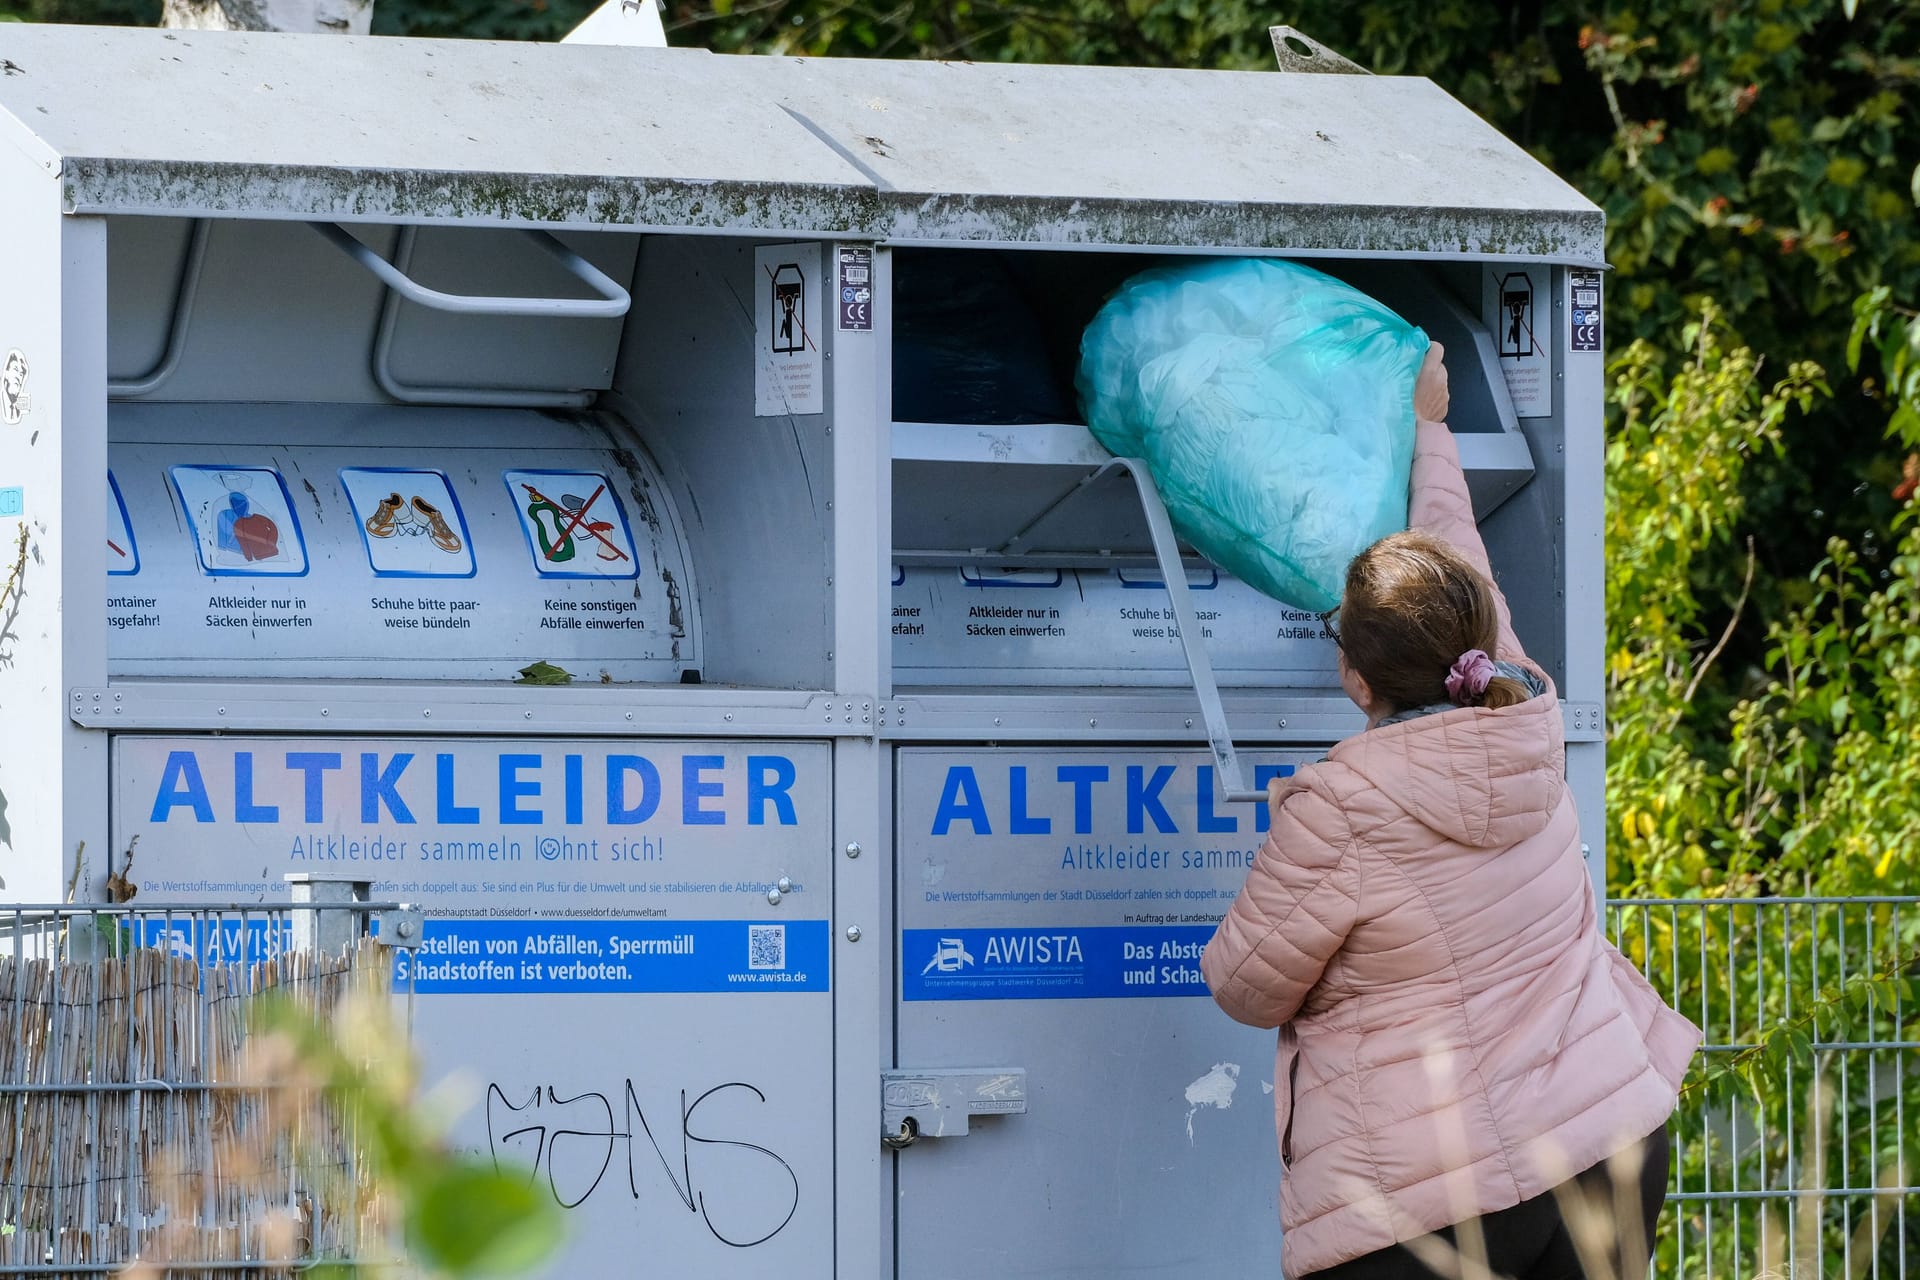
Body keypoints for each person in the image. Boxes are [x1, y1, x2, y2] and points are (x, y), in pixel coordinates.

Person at [1200, 345, 1699, 1280]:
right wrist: (1431, 427)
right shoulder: (1523, 707)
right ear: (1475, 638)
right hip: (1609, 1149)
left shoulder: (1340, 807)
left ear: (1352, 679)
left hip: (1430, 1204)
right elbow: (1454, 550)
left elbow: (1243, 983)